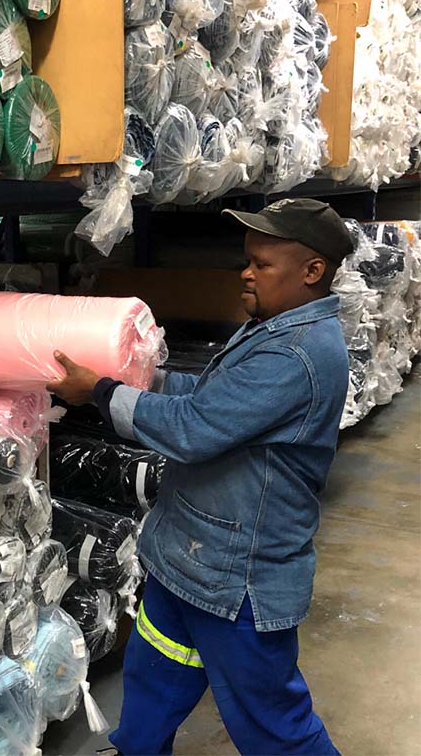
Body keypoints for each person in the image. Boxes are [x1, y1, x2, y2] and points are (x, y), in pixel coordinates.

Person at [47, 199, 354, 756]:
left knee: (273, 724)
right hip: (187, 559)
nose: (246, 272)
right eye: (247, 260)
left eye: (262, 264)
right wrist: (146, 376)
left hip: (237, 580)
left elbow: (195, 429)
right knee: (153, 683)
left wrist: (99, 393)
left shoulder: (300, 354)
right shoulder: (272, 329)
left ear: (313, 271)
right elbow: (215, 400)